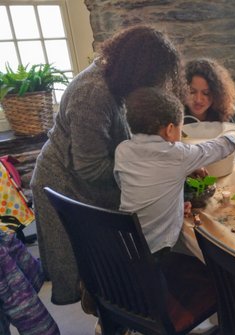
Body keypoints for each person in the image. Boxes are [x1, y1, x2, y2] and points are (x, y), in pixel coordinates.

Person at [30, 25, 182, 305]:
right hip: (65, 183)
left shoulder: (117, 79)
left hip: (87, 179)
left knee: (108, 266)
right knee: (93, 270)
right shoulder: (93, 94)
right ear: (137, 71)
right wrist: (141, 173)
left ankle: (114, 309)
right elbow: (89, 168)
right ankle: (109, 316)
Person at [114, 87, 235, 255]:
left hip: (125, 242)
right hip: (156, 251)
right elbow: (214, 148)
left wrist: (173, 205)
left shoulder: (122, 150)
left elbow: (134, 187)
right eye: (179, 129)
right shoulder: (177, 154)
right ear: (169, 129)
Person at [184, 58, 235, 126]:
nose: (198, 99)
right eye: (192, 92)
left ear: (217, 93)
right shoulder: (175, 116)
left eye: (206, 93)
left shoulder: (229, 111)